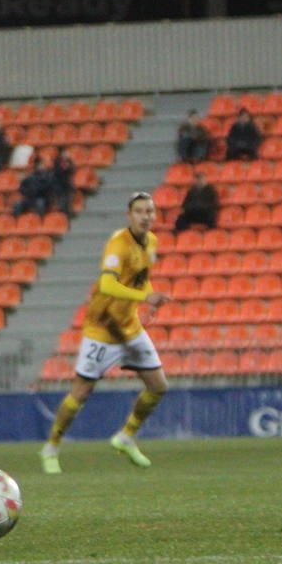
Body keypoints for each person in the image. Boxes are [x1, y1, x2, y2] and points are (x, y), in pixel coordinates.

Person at [39, 192, 172, 475]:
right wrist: (144, 297)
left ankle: (126, 437)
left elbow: (141, 279)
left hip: (129, 326)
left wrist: (150, 297)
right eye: (139, 211)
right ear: (129, 215)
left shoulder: (152, 242)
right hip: (102, 329)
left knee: (158, 386)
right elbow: (107, 285)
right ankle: (51, 447)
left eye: (150, 211)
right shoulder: (118, 244)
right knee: (81, 392)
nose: (145, 216)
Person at [49, 145, 77, 215]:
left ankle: (67, 212)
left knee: (68, 199)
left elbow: (72, 170)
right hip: (59, 185)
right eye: (65, 152)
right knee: (61, 200)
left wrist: (68, 165)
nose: (66, 153)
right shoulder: (57, 161)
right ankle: (62, 212)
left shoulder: (69, 161)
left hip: (67, 185)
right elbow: (56, 171)